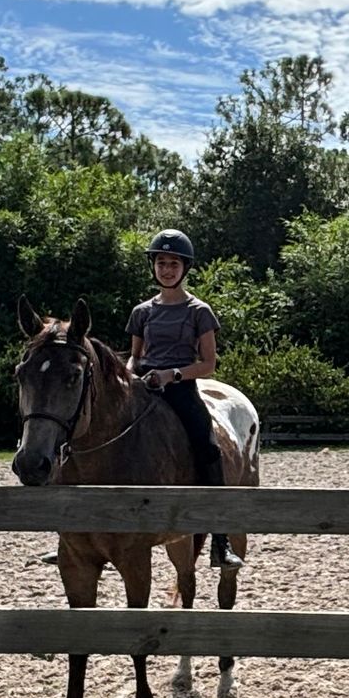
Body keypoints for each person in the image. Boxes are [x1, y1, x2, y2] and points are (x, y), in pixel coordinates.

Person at [128, 229, 242, 569]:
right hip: (145, 386)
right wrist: (132, 375)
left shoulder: (199, 311)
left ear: (184, 268)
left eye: (173, 264)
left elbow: (208, 364)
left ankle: (220, 540)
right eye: (161, 263)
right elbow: (135, 356)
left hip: (180, 388)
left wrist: (172, 375)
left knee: (207, 447)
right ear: (154, 266)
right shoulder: (142, 312)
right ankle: (72, 534)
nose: (166, 269)